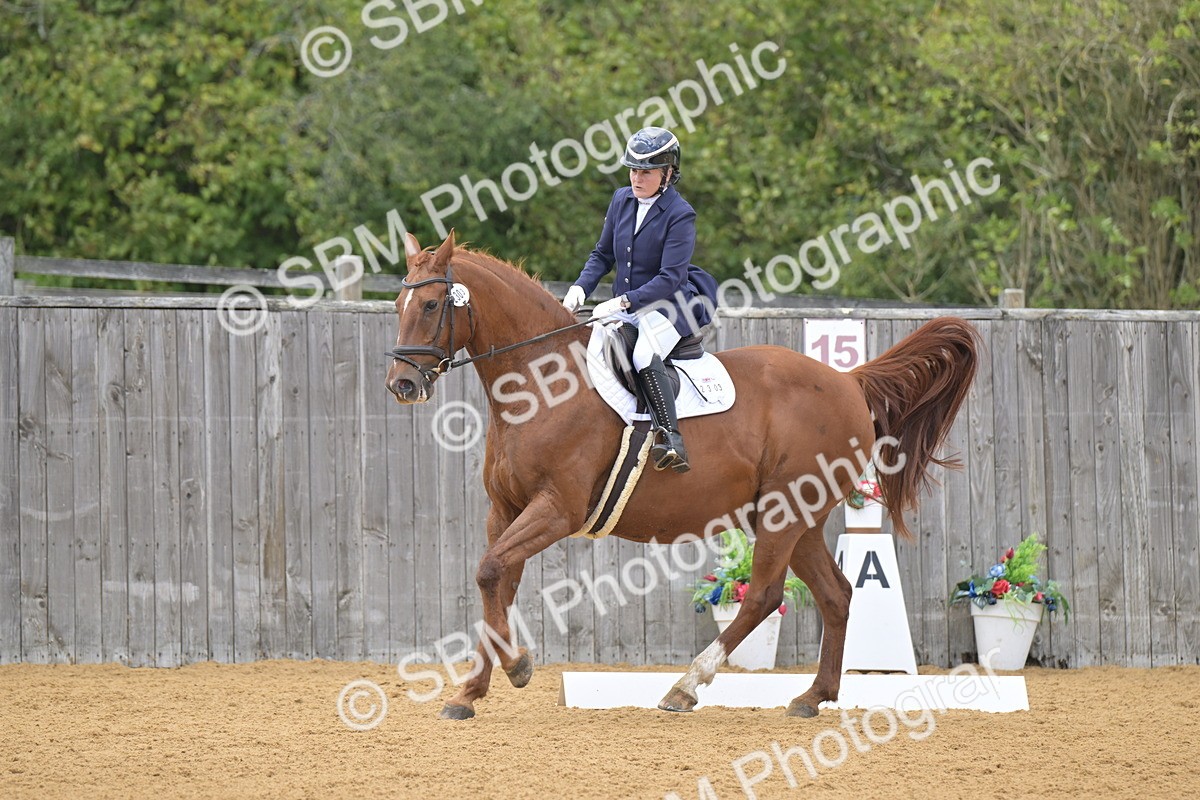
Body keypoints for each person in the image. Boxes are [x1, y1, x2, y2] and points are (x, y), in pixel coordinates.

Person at [563, 127, 719, 473]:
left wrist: (623, 303)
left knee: (643, 354)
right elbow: (603, 254)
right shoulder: (621, 199)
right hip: (629, 304)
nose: (637, 178)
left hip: (669, 305)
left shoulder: (680, 214)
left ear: (668, 173)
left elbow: (670, 278)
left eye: (646, 172)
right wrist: (580, 288)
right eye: (633, 170)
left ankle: (671, 438)